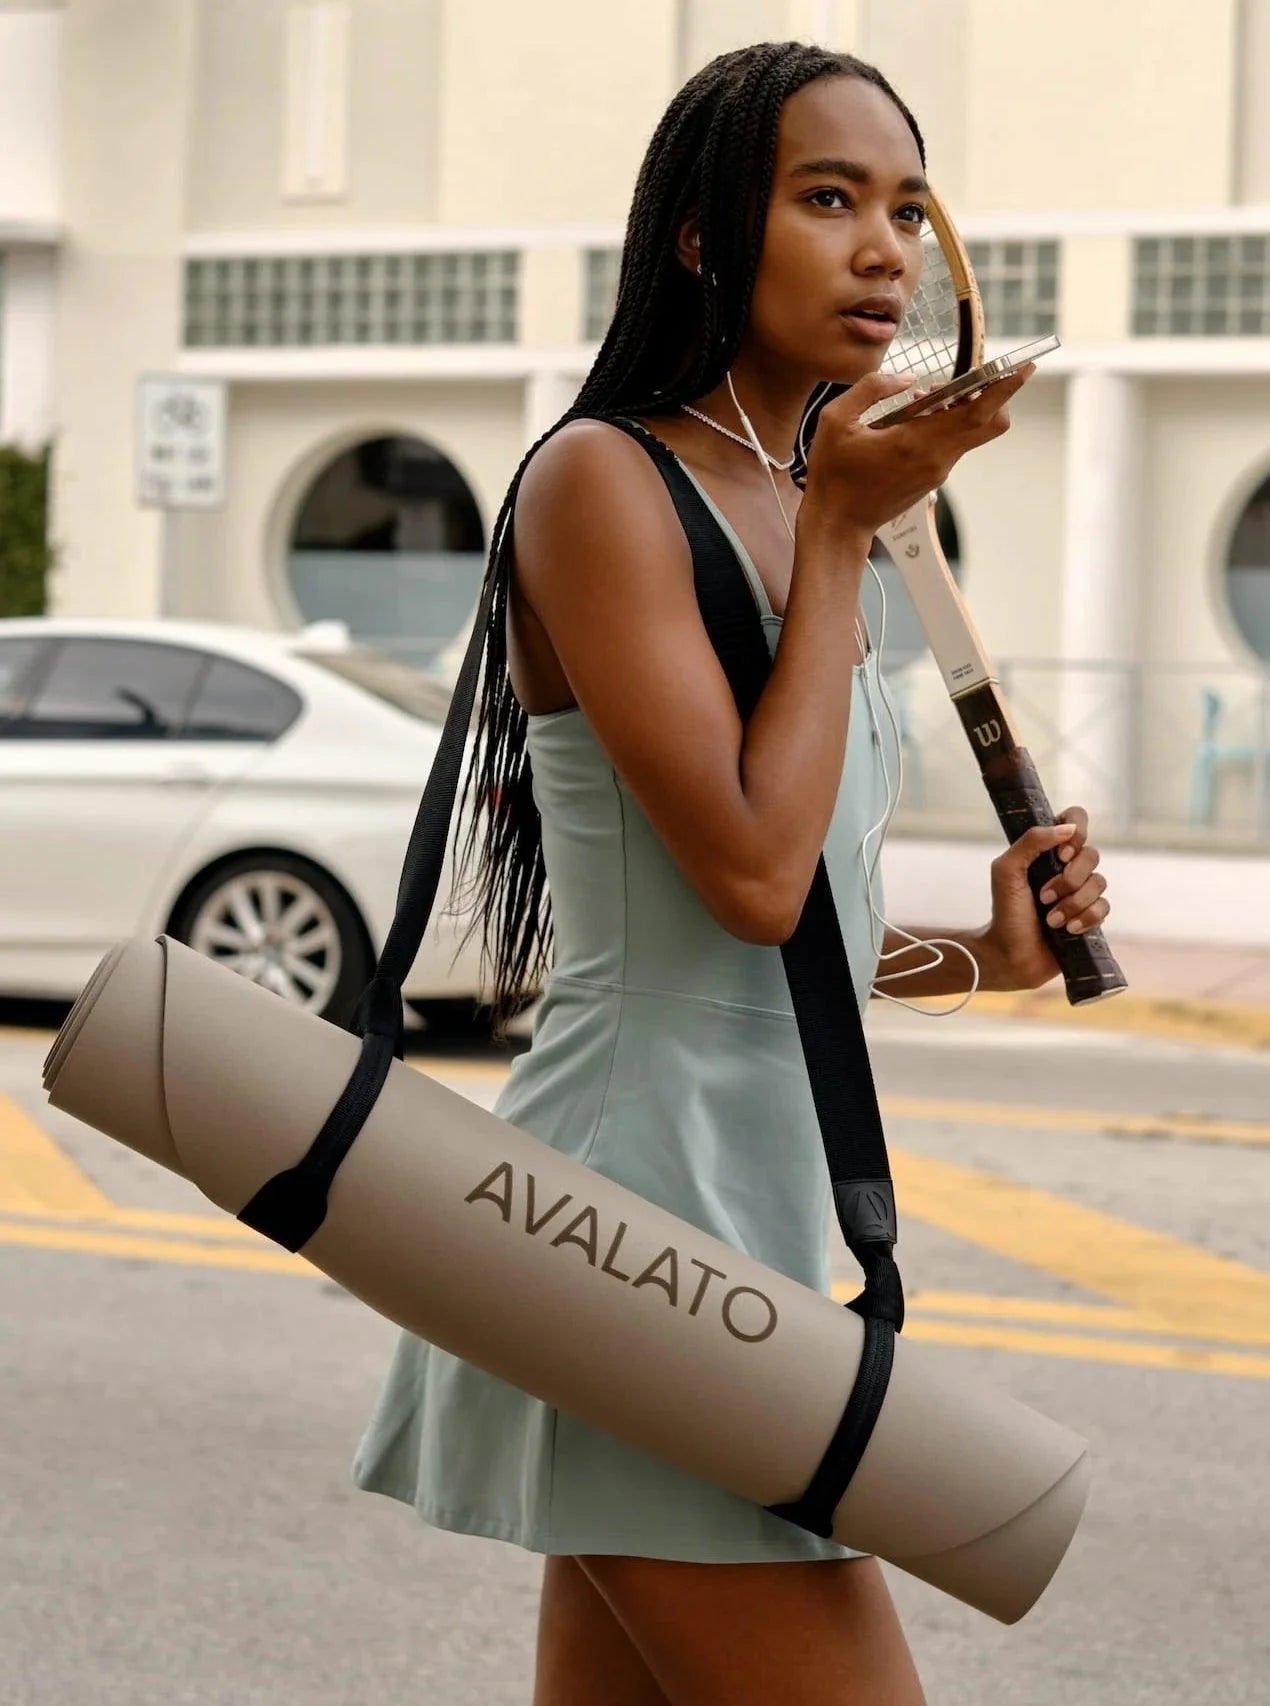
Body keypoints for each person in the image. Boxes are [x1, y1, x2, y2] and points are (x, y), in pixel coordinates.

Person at [352, 39, 1110, 1706]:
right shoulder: (605, 482)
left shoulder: (812, 495)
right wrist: (841, 531)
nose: (882, 250)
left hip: (743, 1232)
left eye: (906, 208)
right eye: (825, 198)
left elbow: (791, 925)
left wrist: (982, 956)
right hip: (633, 1229)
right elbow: (751, 882)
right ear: (703, 235)